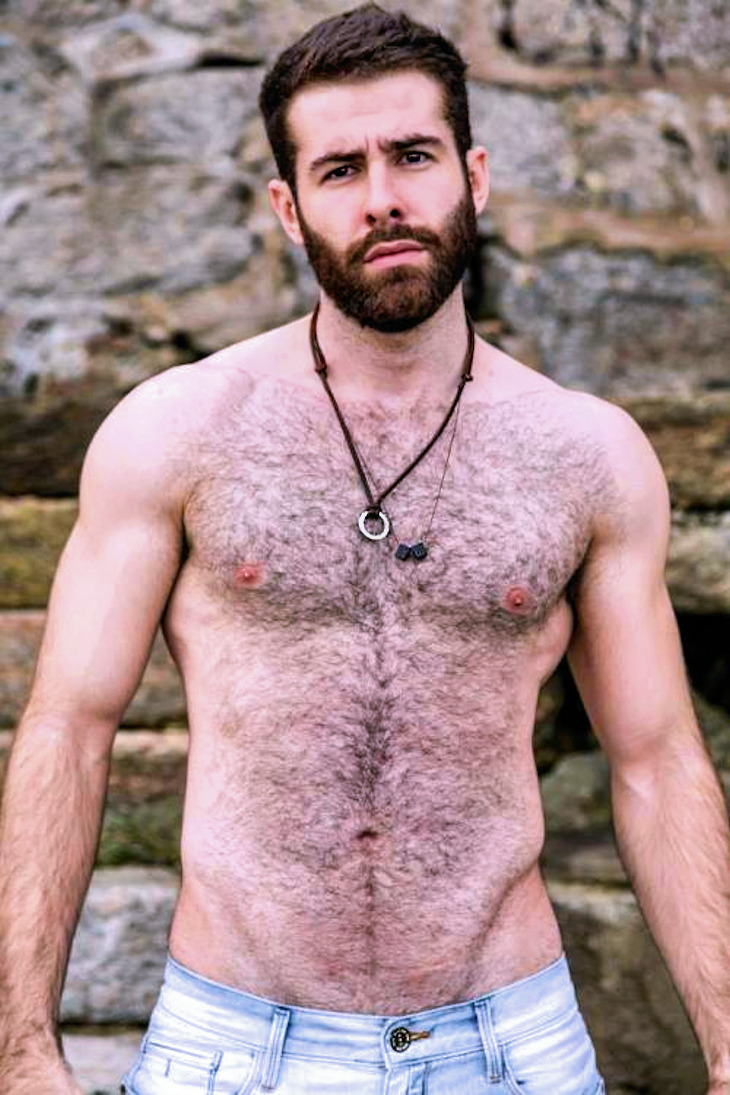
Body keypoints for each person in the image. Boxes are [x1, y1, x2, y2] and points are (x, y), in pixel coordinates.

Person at [0, 4, 728, 1093]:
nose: (382, 197)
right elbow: (68, 727)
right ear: (289, 211)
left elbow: (656, 758)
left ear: (473, 177)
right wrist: (20, 1048)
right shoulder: (179, 431)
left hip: (510, 1048)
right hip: (235, 1050)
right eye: (340, 170)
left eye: (413, 156)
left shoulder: (586, 454)